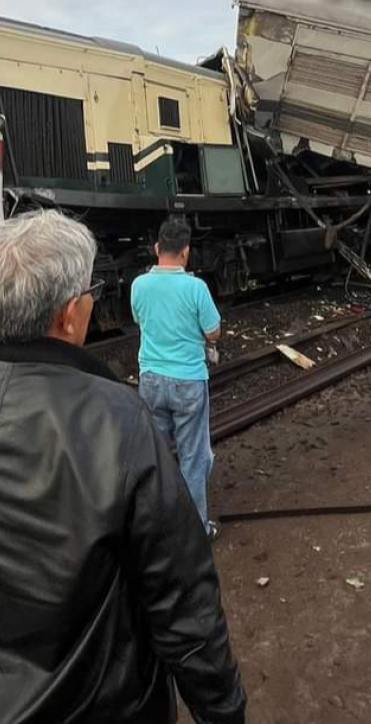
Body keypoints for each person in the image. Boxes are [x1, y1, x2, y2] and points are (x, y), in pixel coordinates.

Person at [0, 210, 246, 724]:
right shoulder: (120, 421)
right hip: (94, 706)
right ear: (69, 314)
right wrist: (224, 712)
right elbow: (184, 604)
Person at [131, 217, 222, 539]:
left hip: (151, 381)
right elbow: (213, 331)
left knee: (156, 456)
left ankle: (157, 528)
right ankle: (196, 531)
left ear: (157, 248)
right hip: (188, 381)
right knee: (193, 457)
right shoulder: (196, 288)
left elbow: (140, 320)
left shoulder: (138, 285)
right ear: (186, 252)